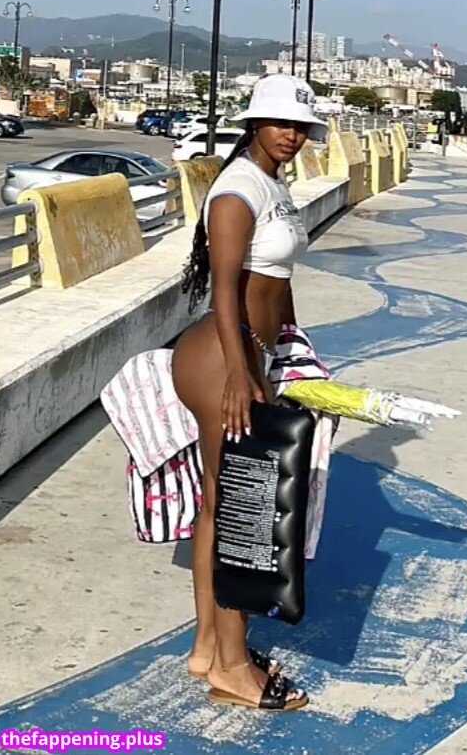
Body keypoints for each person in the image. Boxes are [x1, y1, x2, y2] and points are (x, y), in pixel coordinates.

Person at [171, 74, 325, 712]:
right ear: (255, 123)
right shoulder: (237, 188)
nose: (292, 135)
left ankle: (208, 646)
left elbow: (276, 283)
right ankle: (232, 669)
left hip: (250, 354)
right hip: (221, 359)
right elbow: (224, 290)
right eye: (282, 123)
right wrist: (241, 374)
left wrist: (292, 352)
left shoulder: (271, 183)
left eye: (301, 126)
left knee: (218, 506)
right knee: (244, 513)